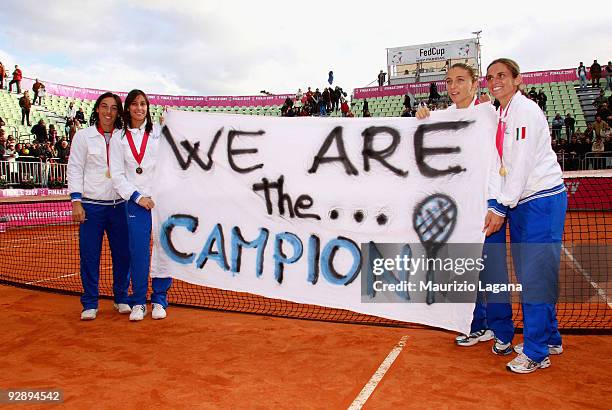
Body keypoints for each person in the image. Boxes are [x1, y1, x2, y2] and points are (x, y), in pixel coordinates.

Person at [416, 62, 513, 350]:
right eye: (448, 81)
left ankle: (503, 332)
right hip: (456, 213)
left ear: (474, 84)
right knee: (465, 271)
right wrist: (420, 117)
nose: (453, 86)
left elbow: (498, 163)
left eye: (460, 80)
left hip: (485, 207)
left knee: (493, 273)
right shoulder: (440, 117)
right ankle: (475, 326)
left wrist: (495, 204)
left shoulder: (488, 115)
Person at [485, 58, 567, 374]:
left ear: (517, 79)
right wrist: (500, 202)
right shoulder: (500, 113)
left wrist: (500, 207)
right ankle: (550, 338)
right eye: (491, 77)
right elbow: (500, 165)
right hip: (521, 204)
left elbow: (518, 166)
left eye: (502, 75)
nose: (495, 81)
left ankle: (536, 352)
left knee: (533, 277)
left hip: (540, 202)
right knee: (531, 274)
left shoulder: (525, 112)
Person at [67, 92, 131, 320]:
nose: (108, 112)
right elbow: (74, 168)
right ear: (96, 109)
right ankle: (90, 303)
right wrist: (76, 201)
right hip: (91, 206)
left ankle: (122, 298)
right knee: (90, 256)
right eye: (104, 107)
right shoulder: (83, 137)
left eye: (114, 108)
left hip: (120, 206)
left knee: (123, 255)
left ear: (119, 112)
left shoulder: (124, 137)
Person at [110, 89, 172, 321]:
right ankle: (138, 302)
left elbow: (175, 157)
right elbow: (117, 175)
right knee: (138, 253)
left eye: (143, 104)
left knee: (163, 250)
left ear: (148, 107)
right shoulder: (118, 137)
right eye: (134, 104)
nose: (139, 108)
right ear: (128, 108)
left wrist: (169, 126)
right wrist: (137, 197)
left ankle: (159, 299)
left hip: (161, 201)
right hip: (137, 202)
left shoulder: (159, 131)